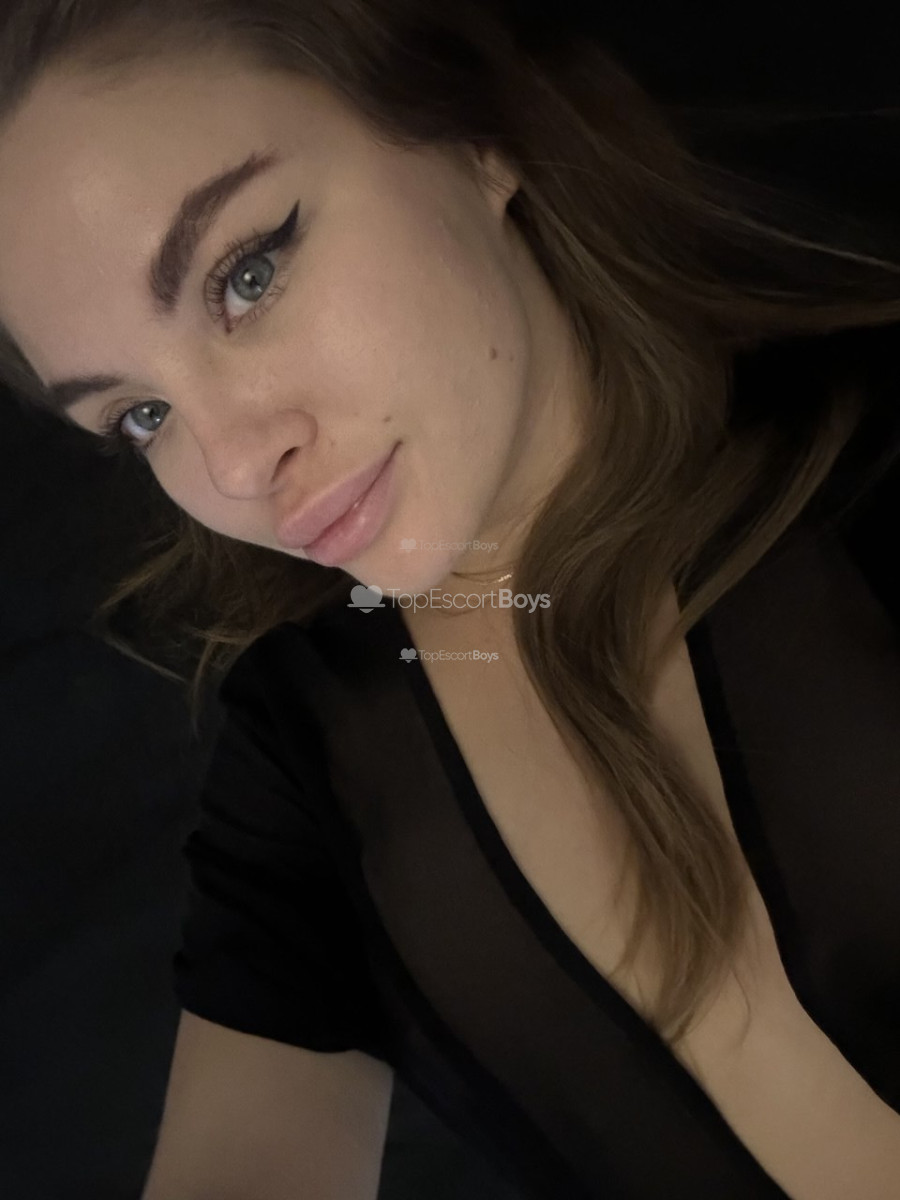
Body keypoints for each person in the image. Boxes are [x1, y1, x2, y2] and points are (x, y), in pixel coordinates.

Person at [0, 2, 898, 1198]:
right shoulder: (314, 753)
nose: (233, 464)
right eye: (140, 415)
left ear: (475, 134)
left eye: (247, 275)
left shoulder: (872, 453)